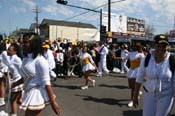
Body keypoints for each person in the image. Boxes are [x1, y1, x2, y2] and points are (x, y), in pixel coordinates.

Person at [13, 35, 61, 116]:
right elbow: (25, 77)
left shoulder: (40, 61)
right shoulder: (26, 58)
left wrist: (54, 103)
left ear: (34, 43)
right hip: (27, 92)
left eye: (26, 42)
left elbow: (47, 83)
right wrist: (13, 84)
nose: (23, 44)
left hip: (36, 94)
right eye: (23, 42)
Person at [133, 34, 174, 116]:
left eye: (164, 46)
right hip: (149, 95)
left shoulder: (172, 60)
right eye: (158, 45)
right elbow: (139, 78)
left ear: (167, 47)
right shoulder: (146, 59)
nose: (161, 48)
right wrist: (135, 96)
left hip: (166, 96)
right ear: (154, 46)